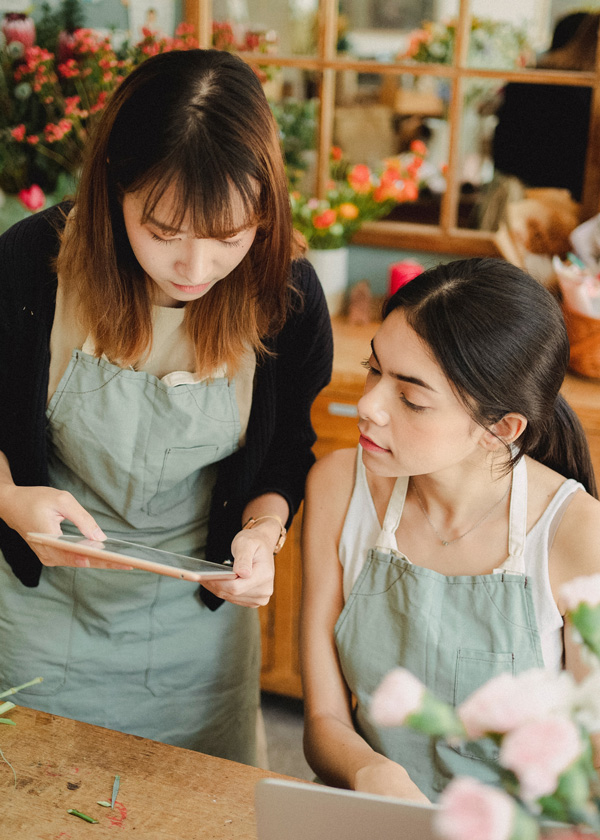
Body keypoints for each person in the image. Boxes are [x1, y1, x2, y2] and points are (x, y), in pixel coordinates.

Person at [0, 48, 333, 766]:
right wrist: (6, 495)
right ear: (114, 188)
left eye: (228, 238)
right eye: (163, 232)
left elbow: (288, 449)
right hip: (40, 610)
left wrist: (262, 531)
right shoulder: (30, 263)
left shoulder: (289, 297)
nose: (194, 269)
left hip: (197, 632)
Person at [300, 257, 600, 802]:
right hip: (362, 814)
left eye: (411, 398)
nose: (368, 405)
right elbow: (324, 718)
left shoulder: (577, 537)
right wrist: (374, 774)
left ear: (499, 428)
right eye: (374, 369)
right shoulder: (337, 487)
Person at [478, 12, 599, 230]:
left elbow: (502, 151)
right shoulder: (591, 93)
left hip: (521, 205)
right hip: (571, 214)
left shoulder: (527, 80)